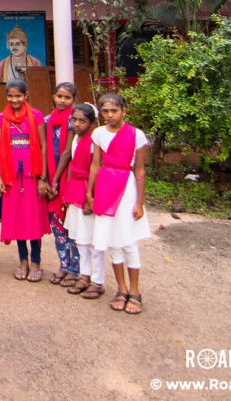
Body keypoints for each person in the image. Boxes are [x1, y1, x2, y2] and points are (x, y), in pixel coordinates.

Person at [87, 93, 150, 315]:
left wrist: (139, 202)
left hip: (127, 189)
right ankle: (121, 289)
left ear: (124, 111)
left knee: (128, 241)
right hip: (105, 187)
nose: (109, 115)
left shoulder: (137, 135)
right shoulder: (98, 134)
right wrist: (89, 193)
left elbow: (140, 170)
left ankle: (135, 291)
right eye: (105, 111)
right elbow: (95, 165)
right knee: (112, 241)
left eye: (114, 110)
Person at [0, 79, 50, 282]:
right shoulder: (2, 117)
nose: (14, 99)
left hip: (32, 175)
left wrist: (43, 177)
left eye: (18, 95)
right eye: (10, 96)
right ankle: (23, 261)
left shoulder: (35, 115)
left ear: (26, 95)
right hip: (11, 177)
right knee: (17, 218)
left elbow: (43, 146)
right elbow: (0, 148)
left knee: (33, 218)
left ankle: (36, 261)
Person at [53, 103, 106, 299]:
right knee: (80, 239)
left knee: (92, 240)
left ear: (91, 123)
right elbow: (71, 162)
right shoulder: (76, 138)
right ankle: (85, 276)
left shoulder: (94, 141)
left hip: (87, 190)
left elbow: (97, 169)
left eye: (82, 121)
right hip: (74, 189)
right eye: (74, 120)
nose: (76, 124)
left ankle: (98, 281)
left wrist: (91, 196)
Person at [45, 82, 81, 287]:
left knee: (73, 225)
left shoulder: (76, 122)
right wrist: (47, 179)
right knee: (58, 225)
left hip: (69, 179)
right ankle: (63, 264)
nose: (62, 100)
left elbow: (68, 153)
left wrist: (58, 180)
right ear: (53, 96)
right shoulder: (48, 120)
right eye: (59, 96)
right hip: (52, 177)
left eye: (67, 98)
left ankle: (75, 269)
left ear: (74, 100)